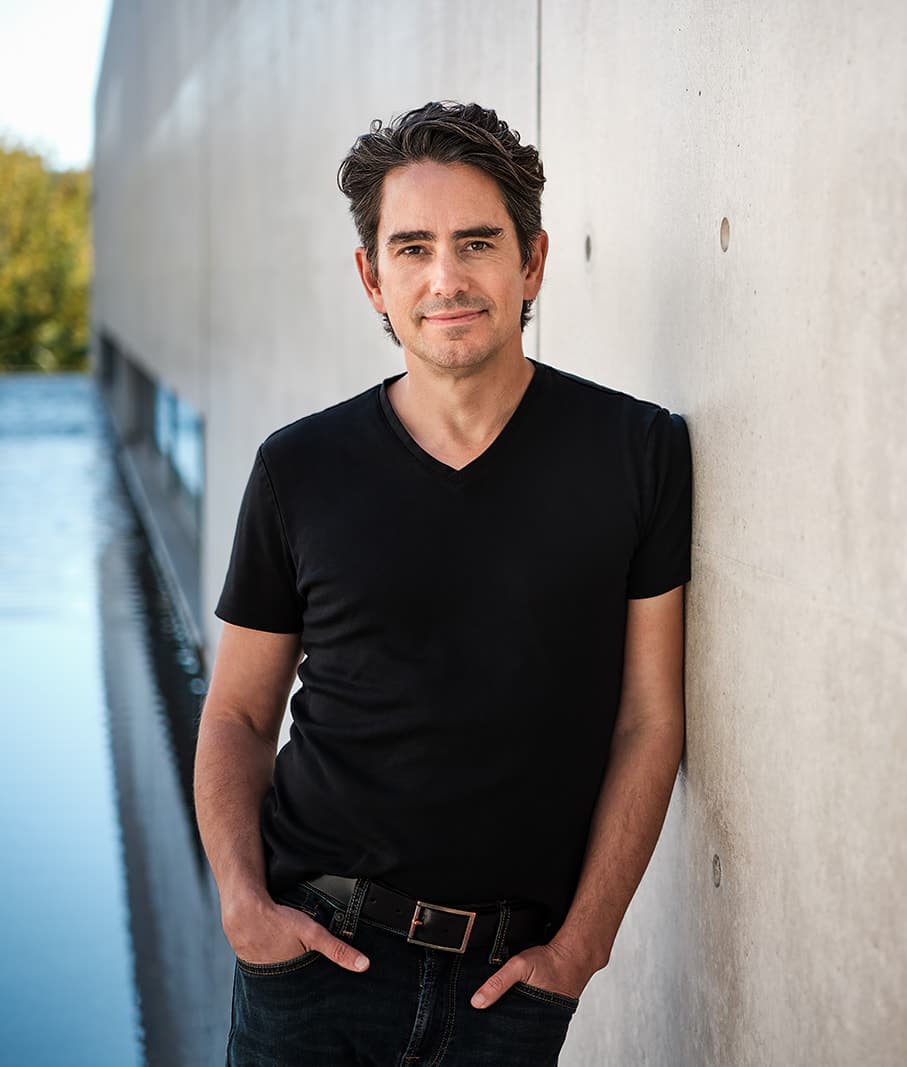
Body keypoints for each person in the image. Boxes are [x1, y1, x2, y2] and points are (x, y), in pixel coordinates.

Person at [194, 101, 692, 1067]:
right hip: (312, 962)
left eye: (477, 243)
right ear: (371, 278)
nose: (446, 279)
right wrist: (244, 906)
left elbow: (650, 720)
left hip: (511, 986)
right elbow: (240, 715)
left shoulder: (638, 452)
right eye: (413, 248)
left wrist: (582, 948)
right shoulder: (299, 468)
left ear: (532, 262)